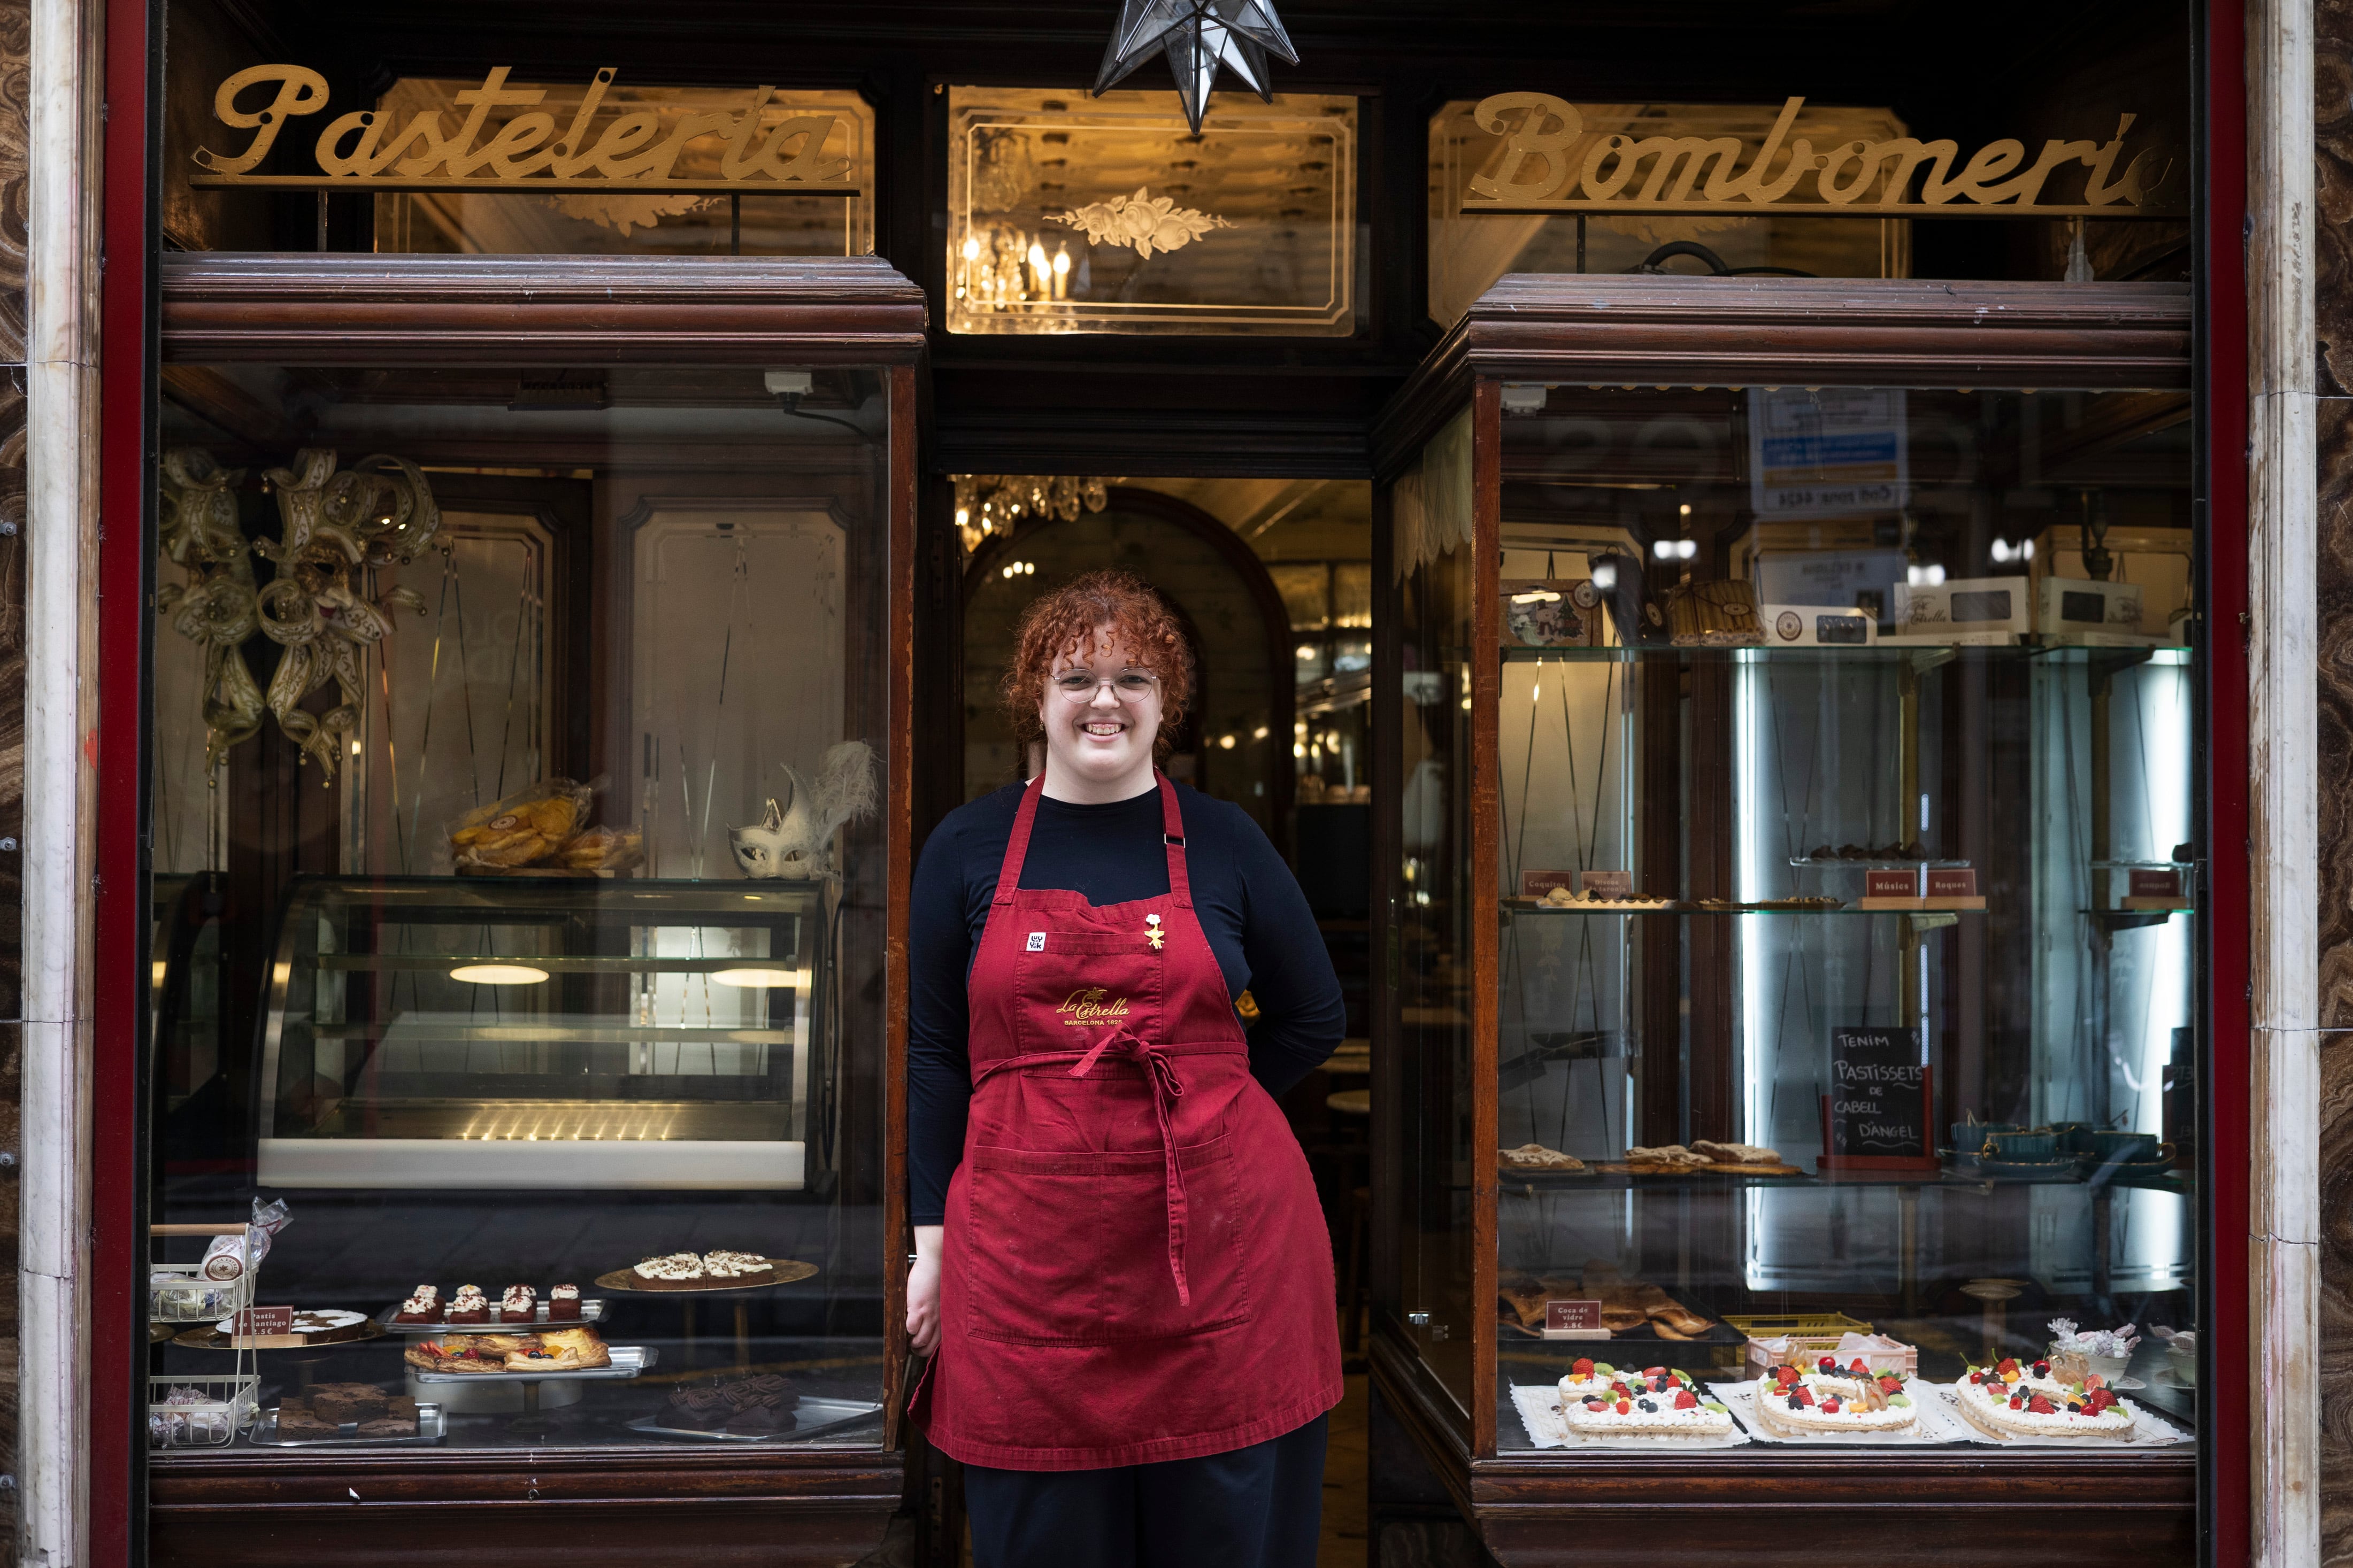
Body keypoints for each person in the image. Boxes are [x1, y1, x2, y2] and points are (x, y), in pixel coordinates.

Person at [906, 569, 1346, 1568]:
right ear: (1038, 694)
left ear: (1166, 701)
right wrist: (927, 1245)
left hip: (1221, 1256)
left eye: (1133, 676)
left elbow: (1314, 1016)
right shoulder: (967, 846)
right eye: (1077, 676)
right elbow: (934, 1056)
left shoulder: (1227, 841)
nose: (1105, 699)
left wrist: (1208, 1109)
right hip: (1027, 1267)